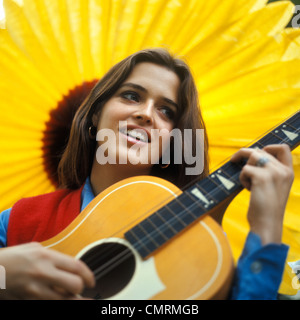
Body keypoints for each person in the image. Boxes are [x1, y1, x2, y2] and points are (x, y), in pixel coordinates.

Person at [0, 48, 294, 300]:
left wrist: (266, 228)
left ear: (173, 144)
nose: (146, 113)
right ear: (94, 116)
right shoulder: (16, 222)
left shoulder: (203, 260)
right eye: (131, 96)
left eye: (166, 111)